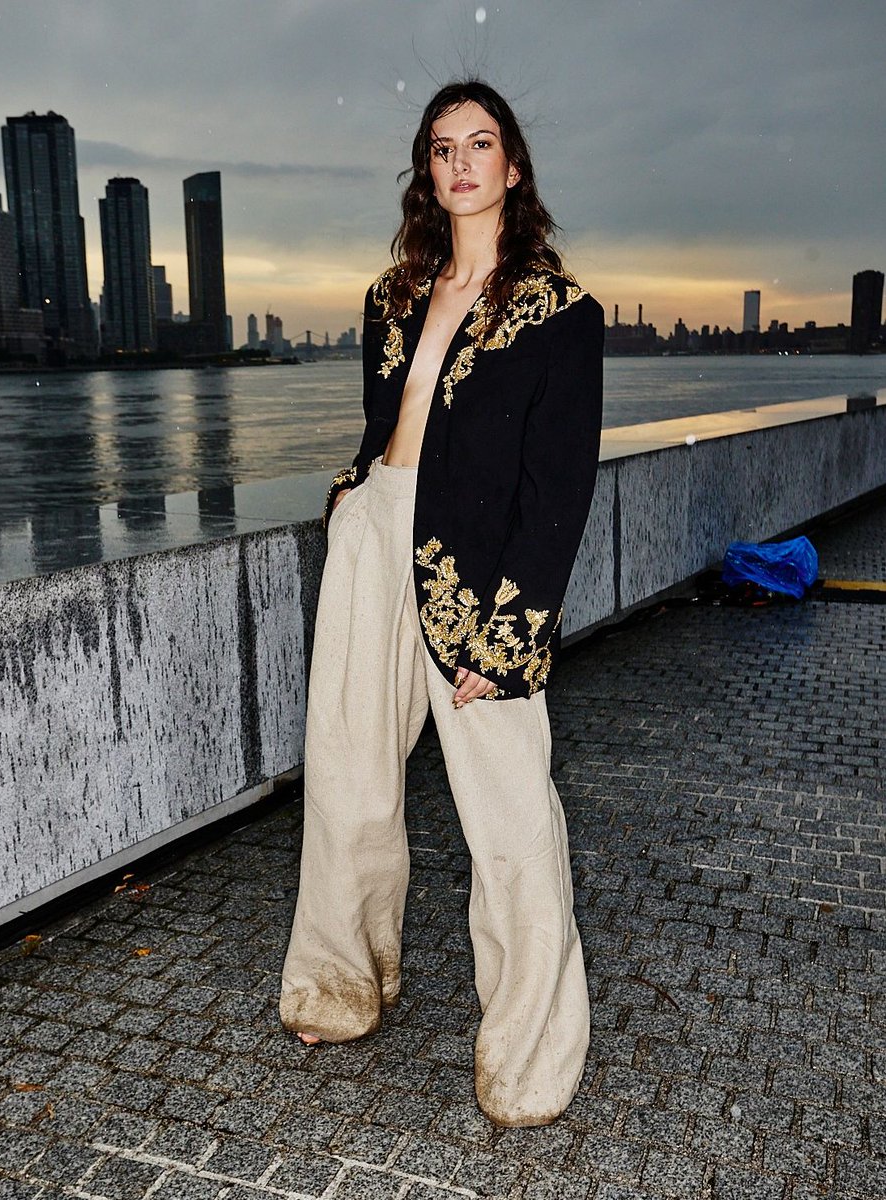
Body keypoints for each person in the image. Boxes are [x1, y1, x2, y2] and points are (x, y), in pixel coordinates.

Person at [280, 79, 604, 1128]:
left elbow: (558, 492)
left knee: (509, 812)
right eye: (440, 147)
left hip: (476, 572)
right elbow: (395, 424)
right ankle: (338, 982)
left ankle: (531, 1054)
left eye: (481, 144)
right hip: (376, 533)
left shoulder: (559, 314)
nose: (460, 162)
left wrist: (511, 636)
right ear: (428, 171)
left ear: (513, 169)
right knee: (346, 773)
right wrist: (353, 500)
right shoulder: (393, 296)